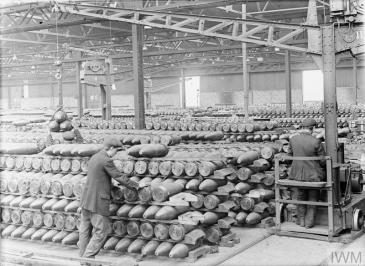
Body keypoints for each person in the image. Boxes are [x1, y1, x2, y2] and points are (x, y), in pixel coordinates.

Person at [78, 137, 139, 265]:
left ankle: (82, 260)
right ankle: (88, 259)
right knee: (101, 231)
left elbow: (99, 178)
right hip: (97, 202)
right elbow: (118, 176)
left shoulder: (94, 157)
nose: (115, 154)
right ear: (110, 148)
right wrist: (135, 185)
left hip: (86, 200)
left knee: (84, 231)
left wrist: (112, 187)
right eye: (115, 151)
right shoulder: (106, 160)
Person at [287, 118, 325, 228]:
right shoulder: (316, 141)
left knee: (301, 198)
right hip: (313, 177)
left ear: (302, 128)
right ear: (312, 128)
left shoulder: (293, 139)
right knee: (313, 199)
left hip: (297, 176)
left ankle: (301, 221)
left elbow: (289, 156)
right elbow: (323, 161)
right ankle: (309, 223)